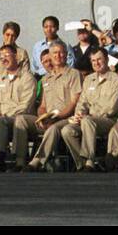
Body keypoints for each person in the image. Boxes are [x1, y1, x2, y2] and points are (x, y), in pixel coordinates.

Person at [63, 46, 118, 170]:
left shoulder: (116, 80)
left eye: (99, 59)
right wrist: (80, 113)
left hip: (108, 121)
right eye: (93, 61)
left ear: (107, 60)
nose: (96, 63)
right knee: (67, 130)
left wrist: (88, 115)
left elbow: (111, 108)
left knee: (87, 121)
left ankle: (90, 161)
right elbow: (82, 102)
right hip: (88, 120)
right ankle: (81, 164)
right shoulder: (89, 79)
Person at [27, 41, 82, 171]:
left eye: (61, 52)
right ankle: (17, 159)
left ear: (66, 54)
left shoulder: (74, 74)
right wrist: (42, 117)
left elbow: (74, 102)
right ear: (50, 56)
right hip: (48, 119)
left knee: (53, 129)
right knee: (21, 121)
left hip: (67, 118)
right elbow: (42, 106)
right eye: (54, 53)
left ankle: (36, 162)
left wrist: (56, 117)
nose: (58, 55)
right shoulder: (46, 79)